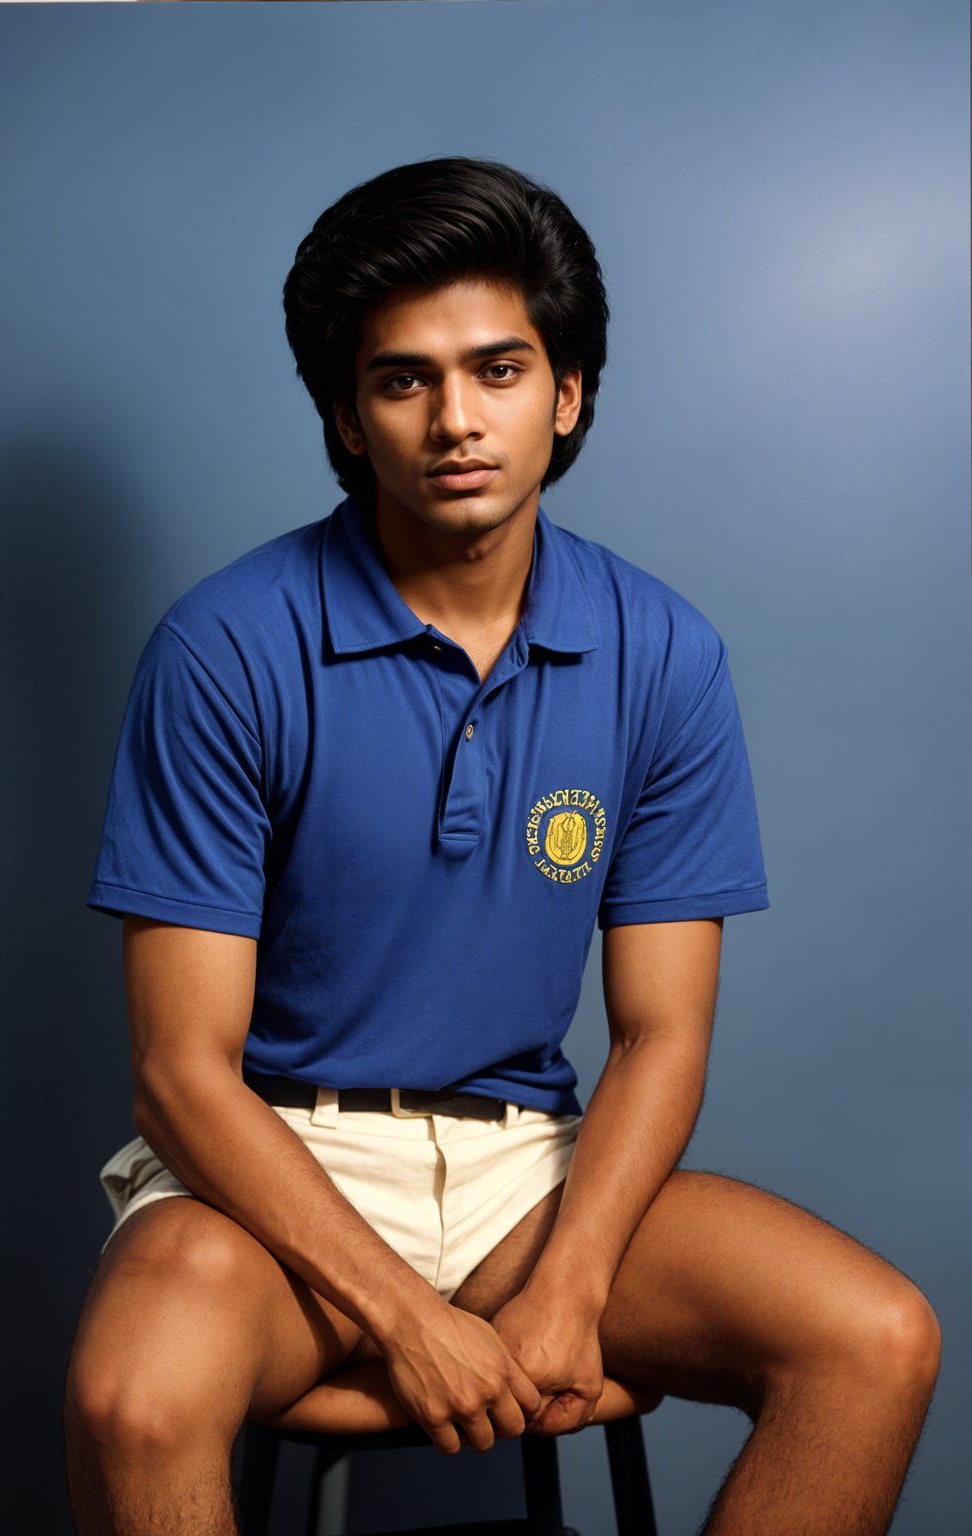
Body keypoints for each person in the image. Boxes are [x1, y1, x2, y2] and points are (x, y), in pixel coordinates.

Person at [66, 158, 940, 1536]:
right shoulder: (224, 648)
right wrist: (408, 1322)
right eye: (404, 380)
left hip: (527, 1175)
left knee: (875, 1339)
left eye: (499, 369)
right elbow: (181, 1074)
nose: (456, 420)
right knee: (135, 1394)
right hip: (270, 1177)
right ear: (348, 421)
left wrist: (572, 1286)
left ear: (568, 393)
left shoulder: (663, 652)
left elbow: (661, 1035)